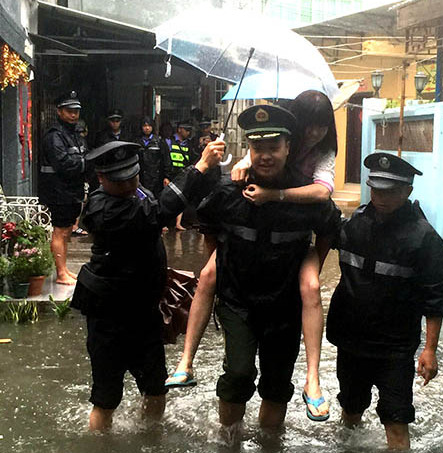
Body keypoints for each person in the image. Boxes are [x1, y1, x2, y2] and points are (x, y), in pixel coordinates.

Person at [166, 90, 337, 422]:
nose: (266, 156)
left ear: (289, 147)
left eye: (274, 148)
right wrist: (220, 262)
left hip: (286, 306)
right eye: (258, 148)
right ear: (248, 149)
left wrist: (312, 261)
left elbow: (330, 224)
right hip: (238, 301)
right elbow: (209, 225)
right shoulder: (231, 190)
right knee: (239, 374)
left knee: (276, 384)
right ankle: (226, 439)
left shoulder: (307, 196)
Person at [70, 137, 225, 432]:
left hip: (144, 313)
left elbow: (157, 207)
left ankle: (149, 438)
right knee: (106, 397)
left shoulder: (134, 194)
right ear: (102, 179)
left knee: (156, 388)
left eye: (133, 177)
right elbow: (158, 212)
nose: (129, 186)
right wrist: (201, 165)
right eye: (121, 181)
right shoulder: (103, 209)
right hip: (109, 317)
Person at [326, 152, 443, 450]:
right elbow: (318, 228)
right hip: (352, 341)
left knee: (396, 420)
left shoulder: (424, 239)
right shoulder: (353, 225)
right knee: (351, 411)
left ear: (407, 191)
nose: (381, 198)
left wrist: (430, 350)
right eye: (376, 189)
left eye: (390, 191)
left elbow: (436, 298)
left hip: (394, 348)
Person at [38, 90, 87, 285]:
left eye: (76, 111)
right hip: (58, 191)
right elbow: (63, 163)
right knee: (60, 231)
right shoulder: (54, 136)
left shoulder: (74, 134)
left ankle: (64, 269)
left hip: (71, 190)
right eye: (69, 111)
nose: (73, 114)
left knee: (67, 231)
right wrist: (84, 165)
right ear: (59, 112)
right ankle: (60, 274)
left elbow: (84, 156)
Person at [163, 120, 196, 230]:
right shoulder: (168, 142)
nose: (188, 133)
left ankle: (178, 223)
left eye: (189, 130)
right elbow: (165, 159)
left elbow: (193, 158)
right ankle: (165, 223)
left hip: (182, 174)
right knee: (167, 198)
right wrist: (166, 175)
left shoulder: (189, 144)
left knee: (181, 198)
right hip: (171, 173)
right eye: (186, 130)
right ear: (179, 129)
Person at [136, 116, 164, 198]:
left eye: (149, 126)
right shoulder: (137, 142)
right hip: (141, 178)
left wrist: (165, 177)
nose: (147, 128)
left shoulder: (159, 142)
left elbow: (165, 160)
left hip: (155, 179)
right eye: (144, 126)